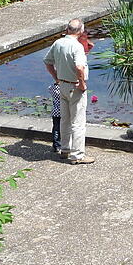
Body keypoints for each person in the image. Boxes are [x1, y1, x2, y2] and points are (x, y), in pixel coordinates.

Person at [44, 19, 94, 164]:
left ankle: (65, 149)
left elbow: (47, 61)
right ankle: (78, 155)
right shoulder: (77, 47)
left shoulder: (58, 43)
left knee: (65, 120)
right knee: (78, 122)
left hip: (62, 86)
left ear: (67, 29)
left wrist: (56, 77)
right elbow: (79, 67)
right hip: (75, 86)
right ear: (80, 31)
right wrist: (82, 84)